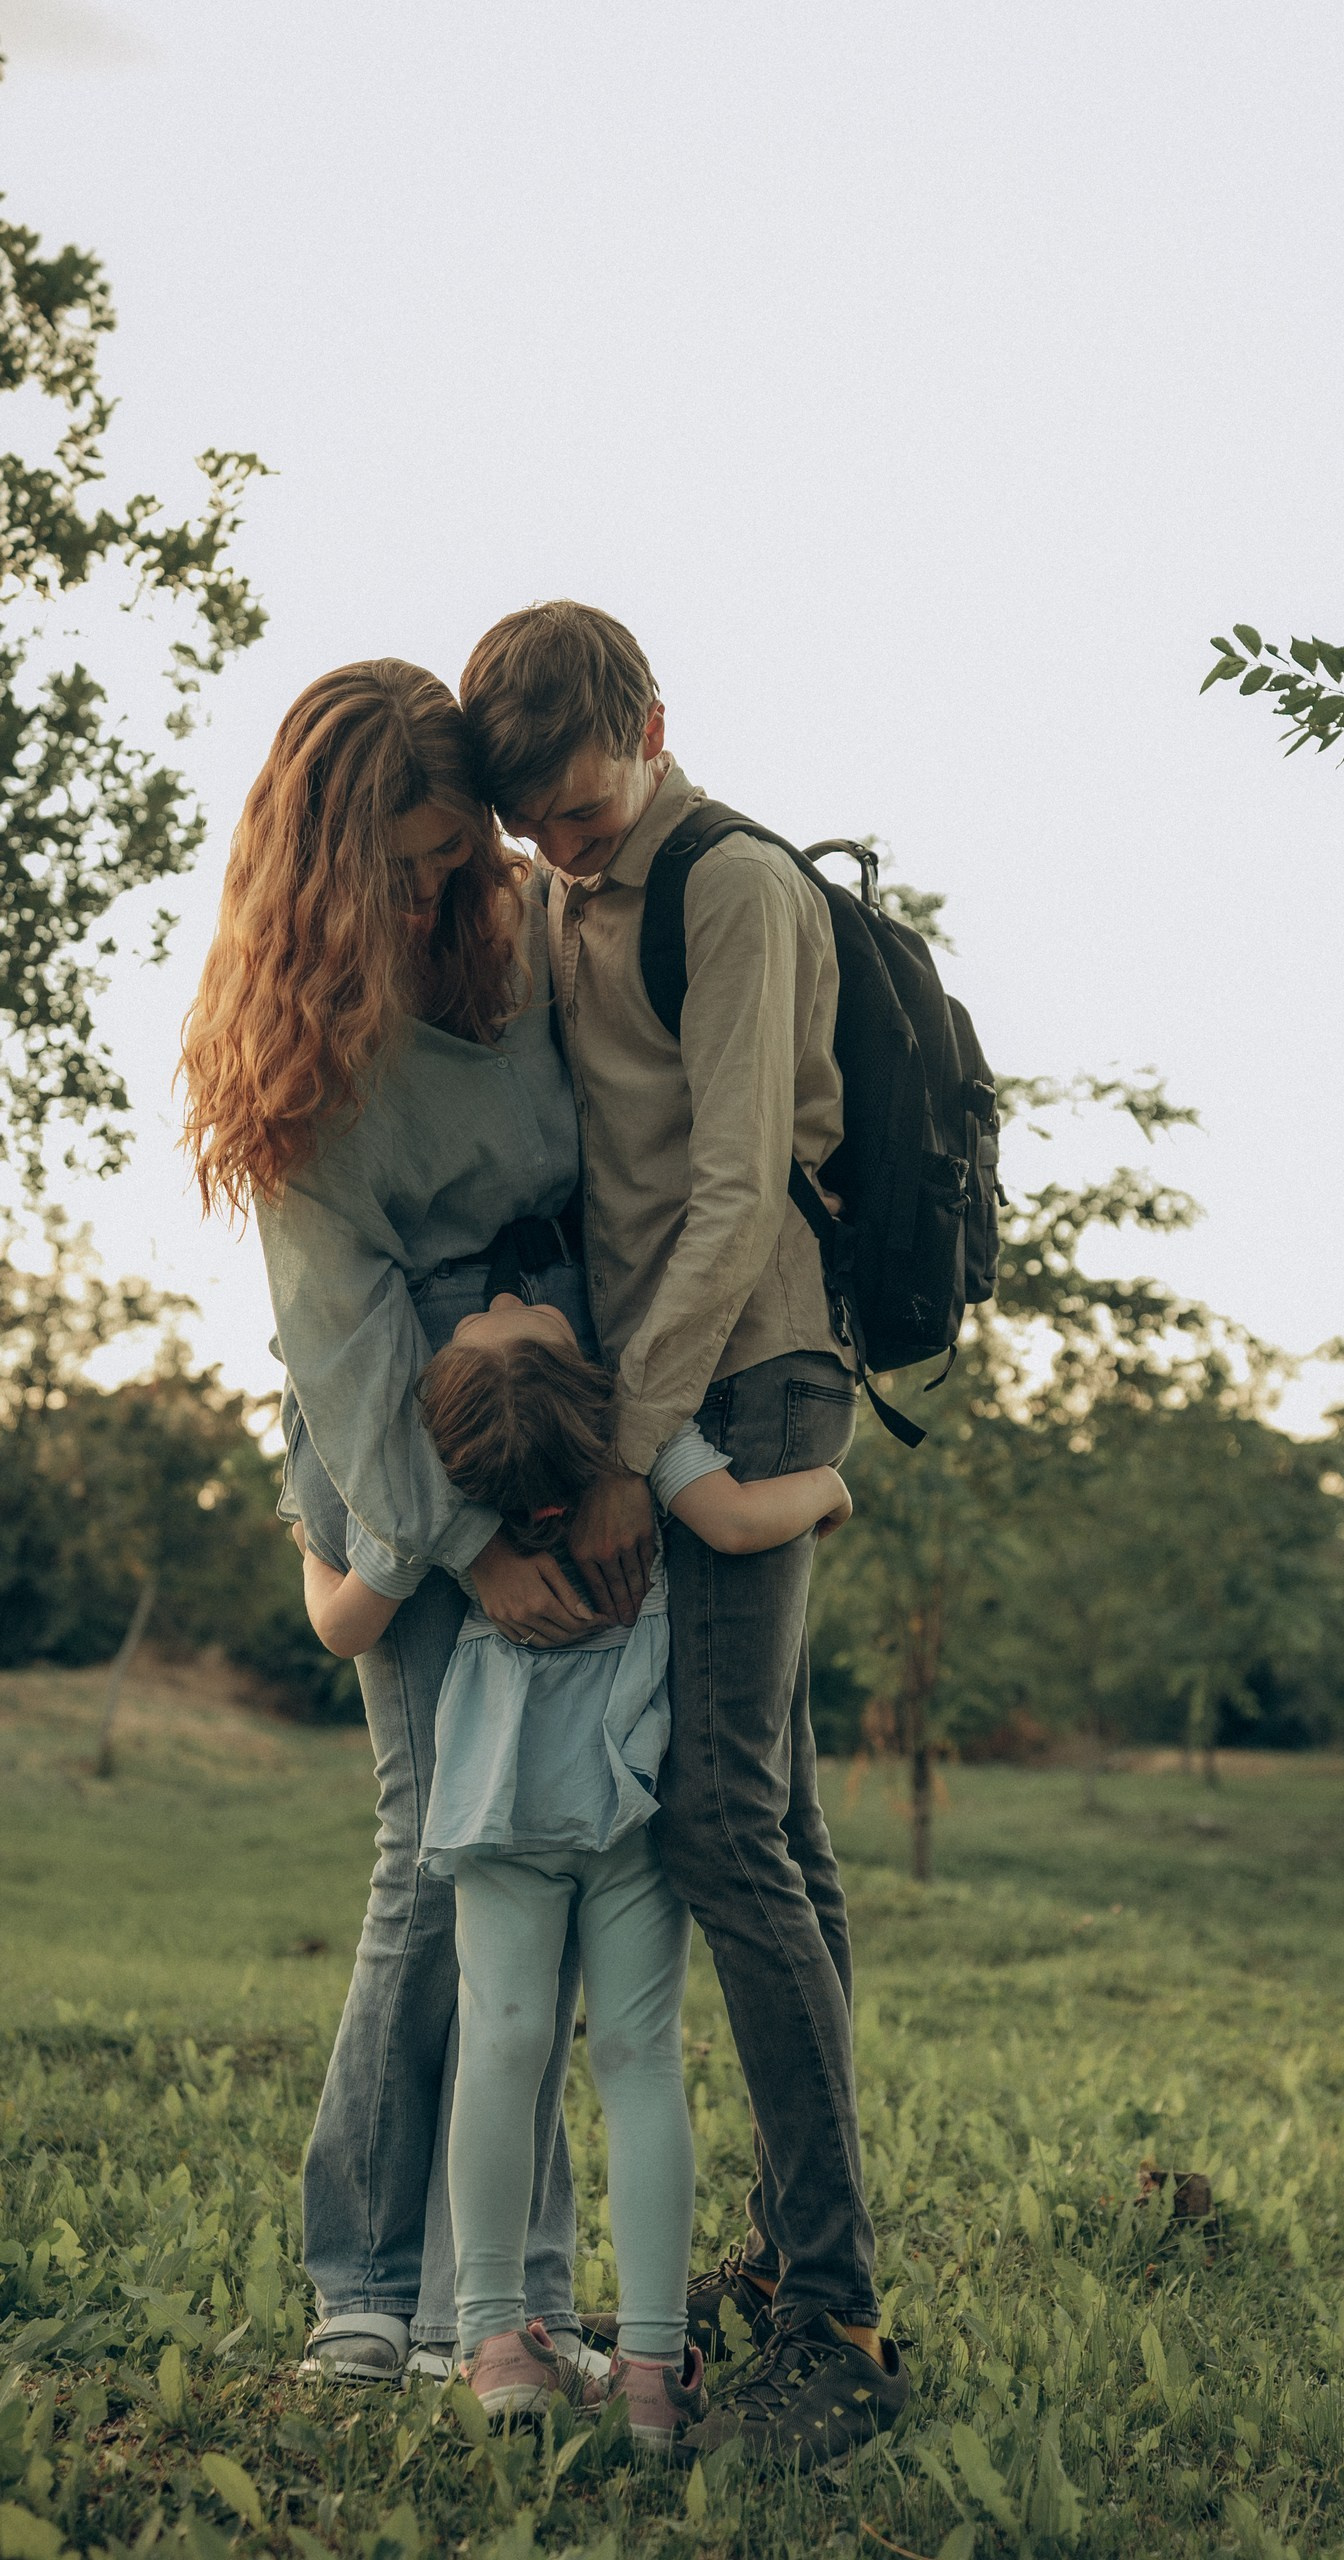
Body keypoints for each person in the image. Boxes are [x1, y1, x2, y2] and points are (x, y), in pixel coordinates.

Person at [459, 602, 912, 2464]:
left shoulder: (729, 887)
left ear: (650, 721)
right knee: (775, 1825)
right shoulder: (568, 890)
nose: (565, 852)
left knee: (723, 1822)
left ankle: (841, 2325)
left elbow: (732, 1200)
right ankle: (810, 2266)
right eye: (538, 832)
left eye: (581, 813)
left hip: (758, 1369)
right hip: (660, 1381)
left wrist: (639, 1446)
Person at [181, 662, 654, 2382]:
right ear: (313, 858)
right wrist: (466, 1549)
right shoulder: (296, 1030)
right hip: (402, 1435)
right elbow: (345, 1338)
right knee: (427, 1854)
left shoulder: (524, 935)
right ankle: (366, 2287)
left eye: (450, 856)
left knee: (542, 1851)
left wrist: (612, 1462)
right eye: (392, 865)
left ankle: (510, 2299)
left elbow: (614, 1179)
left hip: (560, 1404)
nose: (426, 893)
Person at [292, 1286, 852, 2452]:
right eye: (514, 1318)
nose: (506, 1293)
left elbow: (346, 1626)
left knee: (502, 2043)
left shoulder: (439, 1491)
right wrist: (832, 1487)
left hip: (501, 1804)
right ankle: (653, 2373)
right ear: (590, 1390)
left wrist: (307, 1542)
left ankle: (498, 2346)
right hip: (630, 1803)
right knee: (640, 2060)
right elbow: (747, 1523)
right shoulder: (636, 1454)